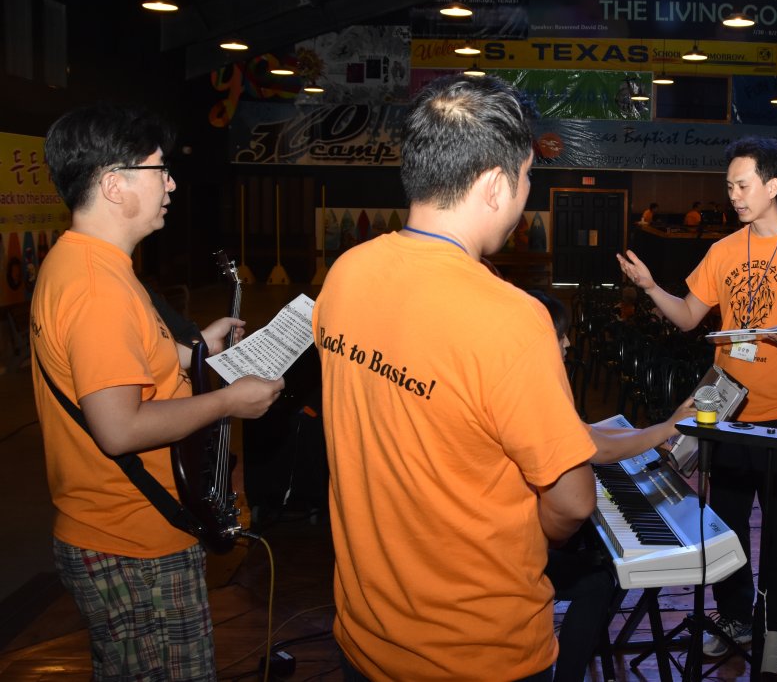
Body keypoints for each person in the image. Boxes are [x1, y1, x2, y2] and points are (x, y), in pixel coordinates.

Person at [314, 75, 598, 681]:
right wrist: (536, 538)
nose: (526, 194)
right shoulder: (511, 318)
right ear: (495, 185)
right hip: (478, 653)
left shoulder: (345, 274)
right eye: (527, 177)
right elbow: (572, 501)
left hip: (365, 637)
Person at [30, 103, 284, 681]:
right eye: (159, 169)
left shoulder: (84, 262)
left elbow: (124, 357)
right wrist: (229, 401)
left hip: (119, 529)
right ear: (113, 185)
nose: (170, 184)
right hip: (131, 541)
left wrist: (198, 351)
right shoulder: (98, 289)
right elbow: (119, 428)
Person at [617, 136, 777, 674]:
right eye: (729, 187)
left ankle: (776, 628)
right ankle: (736, 617)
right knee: (726, 524)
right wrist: (650, 286)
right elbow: (688, 317)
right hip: (726, 413)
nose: (734, 196)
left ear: (773, 185)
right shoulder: (723, 251)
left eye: (742, 185)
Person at [526, 289, 694, 682]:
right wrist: (665, 429)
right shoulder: (537, 393)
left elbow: (588, 436)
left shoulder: (524, 384)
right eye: (561, 335)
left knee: (597, 558)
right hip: (516, 554)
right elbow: (595, 451)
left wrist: (658, 430)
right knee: (598, 581)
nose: (569, 343)